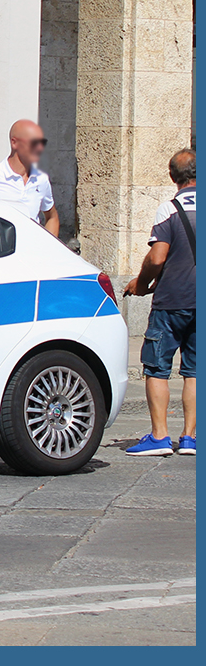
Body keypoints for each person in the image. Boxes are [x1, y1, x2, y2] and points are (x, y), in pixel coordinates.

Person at [123, 148, 196, 456]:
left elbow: (157, 257)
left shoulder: (168, 209)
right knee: (195, 371)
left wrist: (141, 283)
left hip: (171, 301)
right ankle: (190, 438)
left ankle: (160, 437)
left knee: (157, 368)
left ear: (172, 176)